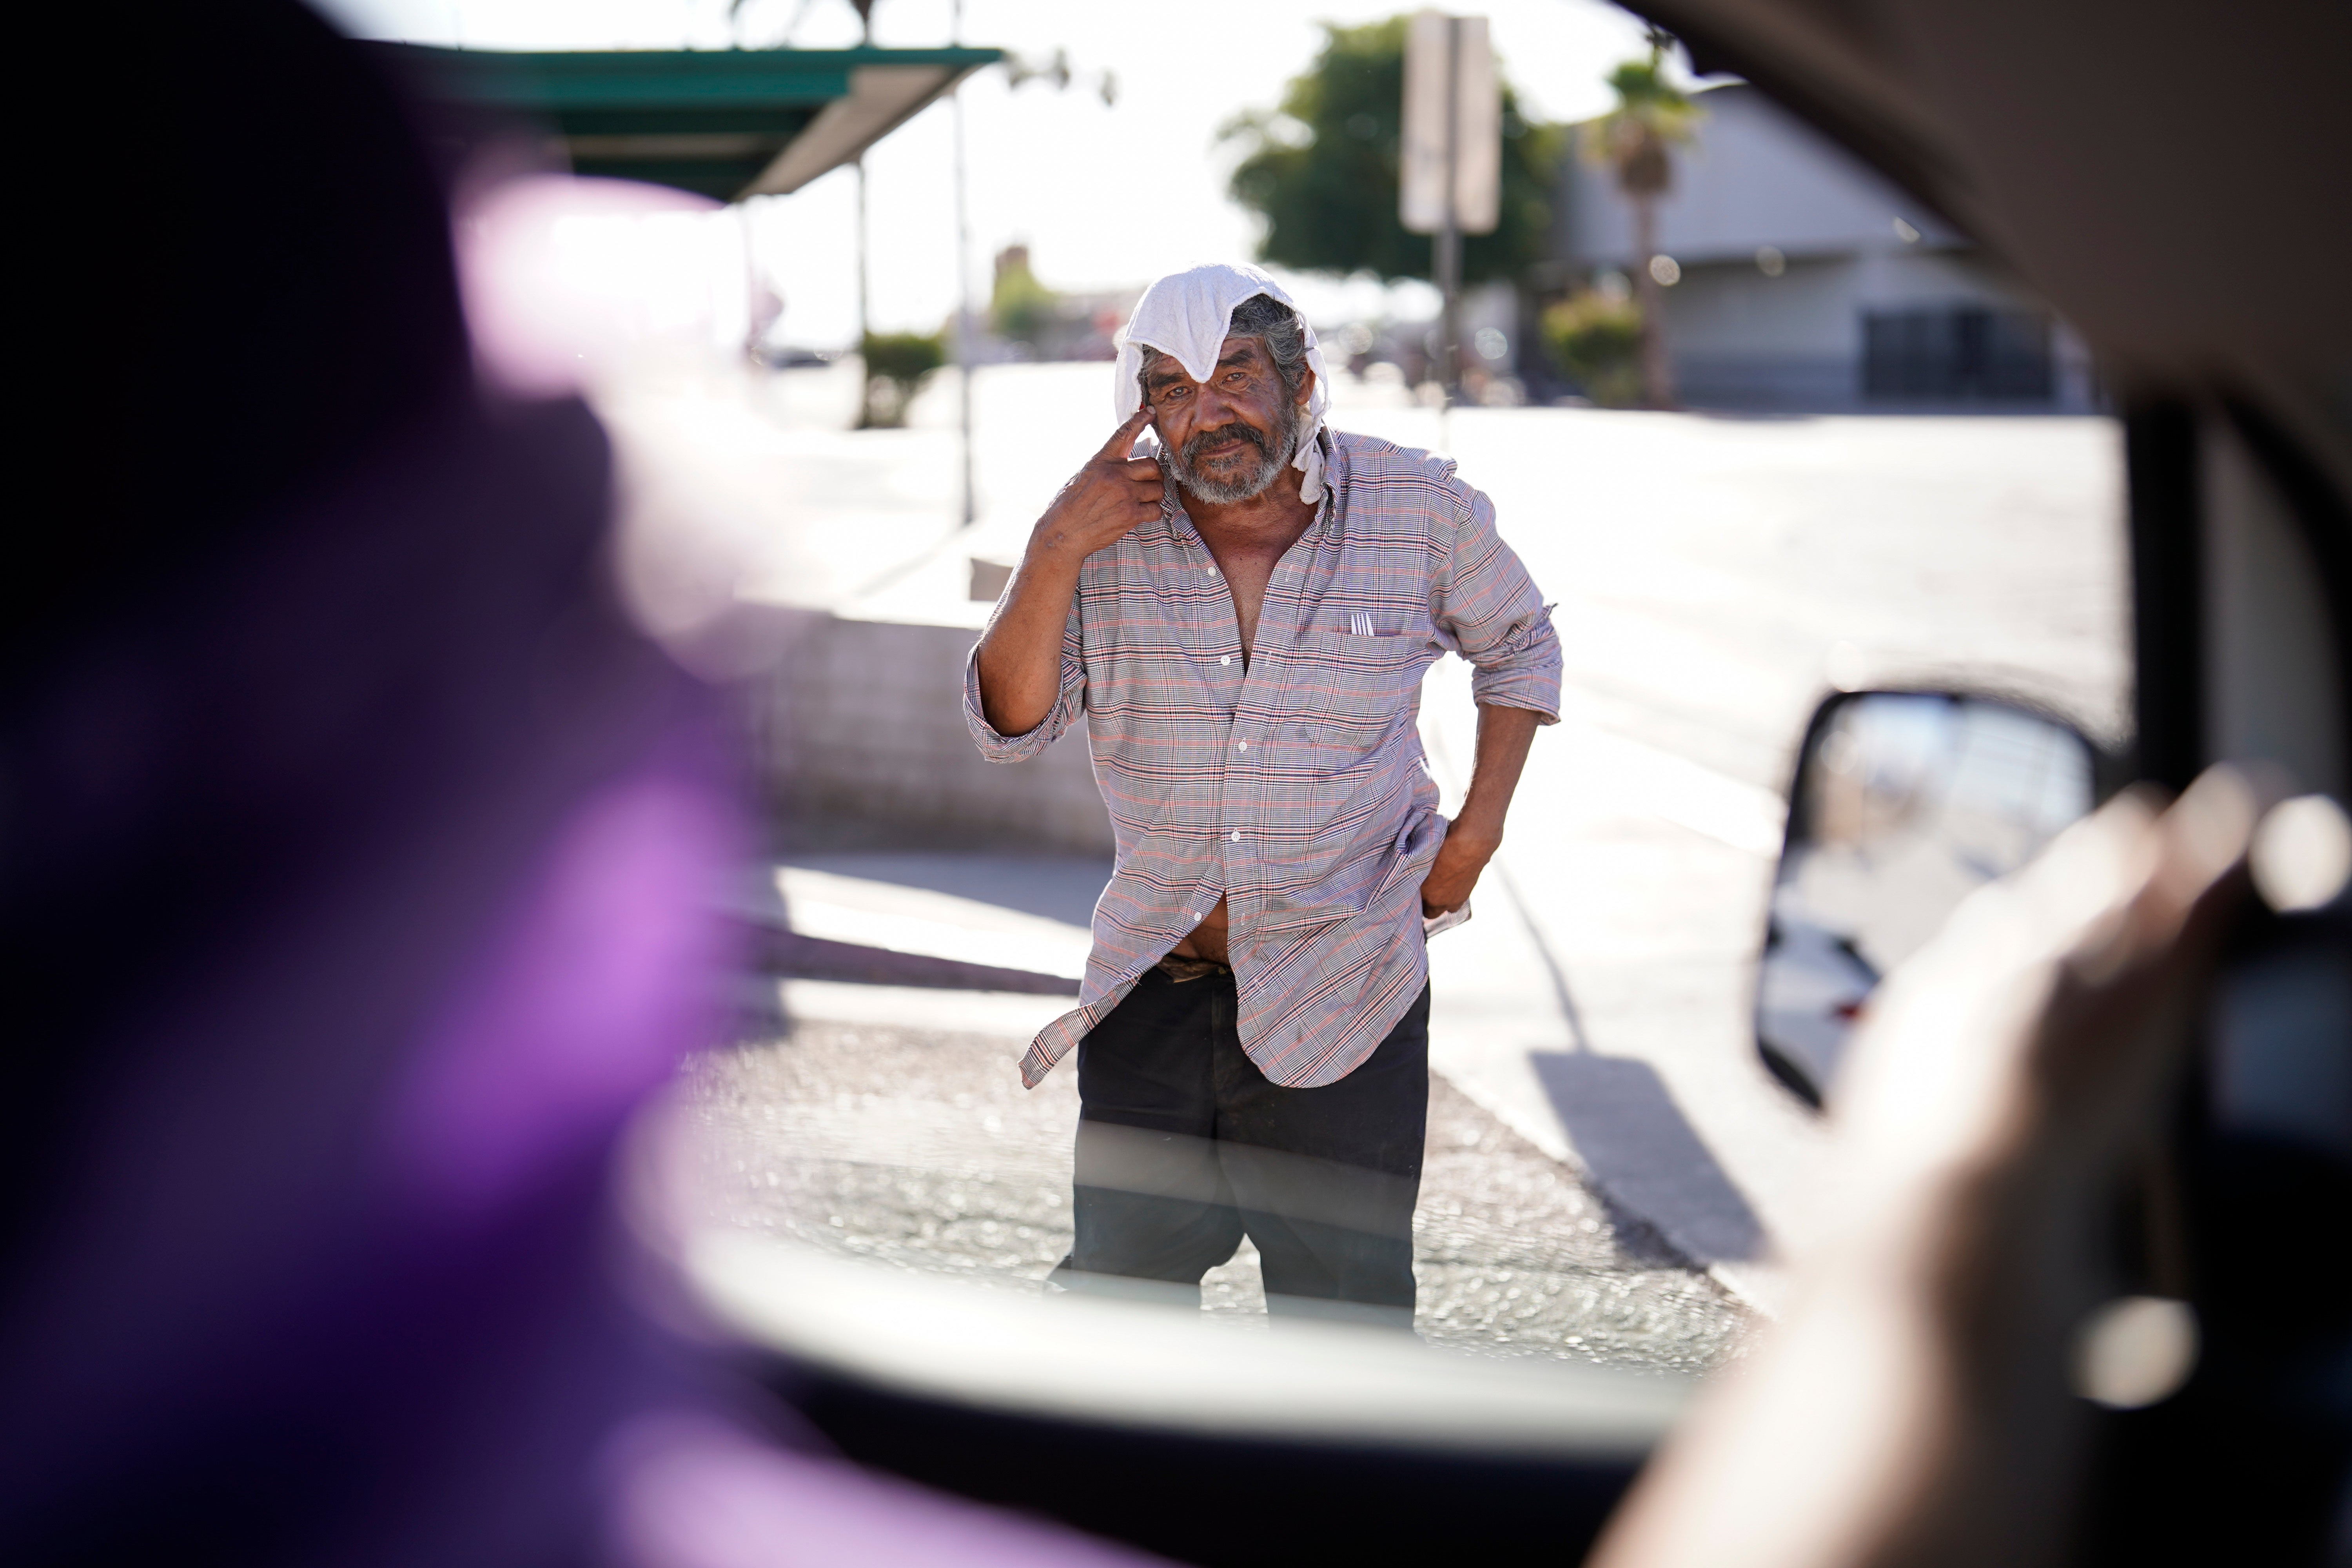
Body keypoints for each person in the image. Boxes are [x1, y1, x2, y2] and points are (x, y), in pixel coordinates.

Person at [968, 265, 1561, 1327]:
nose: (1209, 413)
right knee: (1116, 1317)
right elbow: (1010, 727)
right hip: (1151, 989)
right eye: (1172, 389)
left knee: (1348, 1336)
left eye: (1235, 373)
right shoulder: (1103, 538)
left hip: (1347, 990)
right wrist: (1054, 544)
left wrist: (1473, 839)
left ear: (1300, 379)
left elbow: (1519, 644)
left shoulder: (1419, 508)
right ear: (1142, 407)